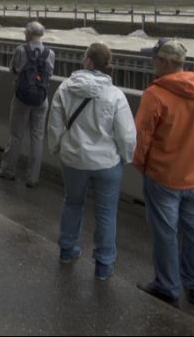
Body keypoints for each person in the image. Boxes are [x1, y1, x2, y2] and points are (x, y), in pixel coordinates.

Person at [134, 38, 194, 307]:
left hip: (164, 177)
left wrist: (142, 165)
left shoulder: (155, 94)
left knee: (166, 232)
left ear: (165, 62)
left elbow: (141, 137)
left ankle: (167, 285)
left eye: (154, 58)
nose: (152, 62)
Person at [47, 43, 136, 280]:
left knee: (72, 203)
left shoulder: (65, 88)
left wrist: (56, 148)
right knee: (106, 212)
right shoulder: (115, 94)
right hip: (106, 163)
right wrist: (126, 157)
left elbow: (55, 125)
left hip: (74, 159)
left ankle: (67, 250)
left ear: (87, 62)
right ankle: (103, 265)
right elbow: (126, 134)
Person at [0, 21, 55, 187]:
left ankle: (8, 171)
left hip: (22, 98)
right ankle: (32, 178)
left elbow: (13, 70)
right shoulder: (50, 53)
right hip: (42, 99)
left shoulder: (21, 50)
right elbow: (50, 74)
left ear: (28, 33)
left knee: (16, 135)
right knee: (37, 137)